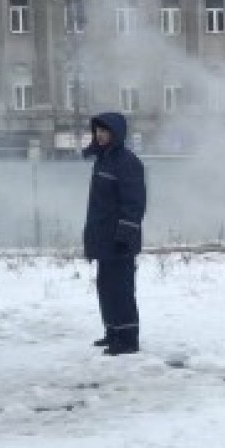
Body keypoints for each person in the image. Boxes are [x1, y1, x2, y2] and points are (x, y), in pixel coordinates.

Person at [83, 112, 146, 355]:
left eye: (104, 131)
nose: (99, 135)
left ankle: (128, 339)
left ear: (116, 133)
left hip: (119, 242)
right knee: (106, 287)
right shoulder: (104, 160)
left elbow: (134, 204)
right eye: (97, 131)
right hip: (103, 238)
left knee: (121, 289)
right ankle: (113, 332)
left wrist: (125, 237)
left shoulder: (127, 162)